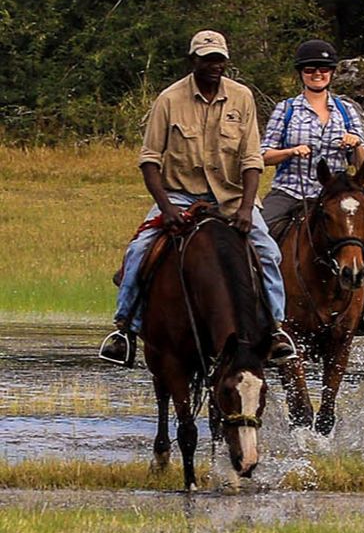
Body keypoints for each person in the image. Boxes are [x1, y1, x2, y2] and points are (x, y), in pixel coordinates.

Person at [99, 30, 297, 367]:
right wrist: (166, 207)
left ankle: (276, 329)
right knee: (139, 250)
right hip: (180, 193)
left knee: (268, 252)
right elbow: (149, 160)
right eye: (207, 59)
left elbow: (252, 159)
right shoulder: (169, 99)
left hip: (232, 197)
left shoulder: (242, 97)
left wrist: (248, 209)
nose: (214, 66)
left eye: (219, 59)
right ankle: (124, 329)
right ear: (193, 61)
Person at [260, 38, 364, 339]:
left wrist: (356, 143)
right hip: (290, 191)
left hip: (334, 197)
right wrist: (290, 151)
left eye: (322, 69)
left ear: (331, 73)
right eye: (310, 69)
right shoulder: (287, 109)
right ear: (301, 73)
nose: (316, 73)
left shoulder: (346, 111)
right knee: (257, 237)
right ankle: (257, 309)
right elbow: (264, 155)